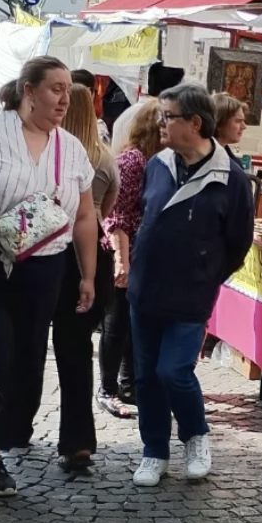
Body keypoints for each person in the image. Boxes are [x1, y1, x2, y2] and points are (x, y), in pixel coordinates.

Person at [0, 57, 96, 498]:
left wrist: (88, 274)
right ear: (28, 91)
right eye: (55, 88)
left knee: (27, 357)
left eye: (68, 90)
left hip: (44, 267)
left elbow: (86, 215)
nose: (64, 98)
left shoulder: (70, 148)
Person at [127, 82, 254, 487]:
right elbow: (139, 214)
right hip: (145, 288)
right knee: (146, 375)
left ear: (195, 123)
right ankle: (154, 451)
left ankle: (196, 435)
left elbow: (239, 242)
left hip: (191, 294)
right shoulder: (157, 164)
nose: (160, 123)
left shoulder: (231, 180)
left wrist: (207, 273)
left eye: (169, 116)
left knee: (173, 372)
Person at [52, 83, 118, 477]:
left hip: (50, 252)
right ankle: (77, 442)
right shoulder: (103, 158)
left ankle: (6, 431)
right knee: (76, 353)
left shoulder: (54, 153)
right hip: (90, 259)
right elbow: (103, 211)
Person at [98, 101, 161, 419]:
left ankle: (128, 385)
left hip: (144, 256)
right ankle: (108, 389)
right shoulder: (132, 160)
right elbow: (117, 217)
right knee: (117, 322)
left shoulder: (155, 161)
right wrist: (122, 261)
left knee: (134, 323)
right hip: (124, 252)